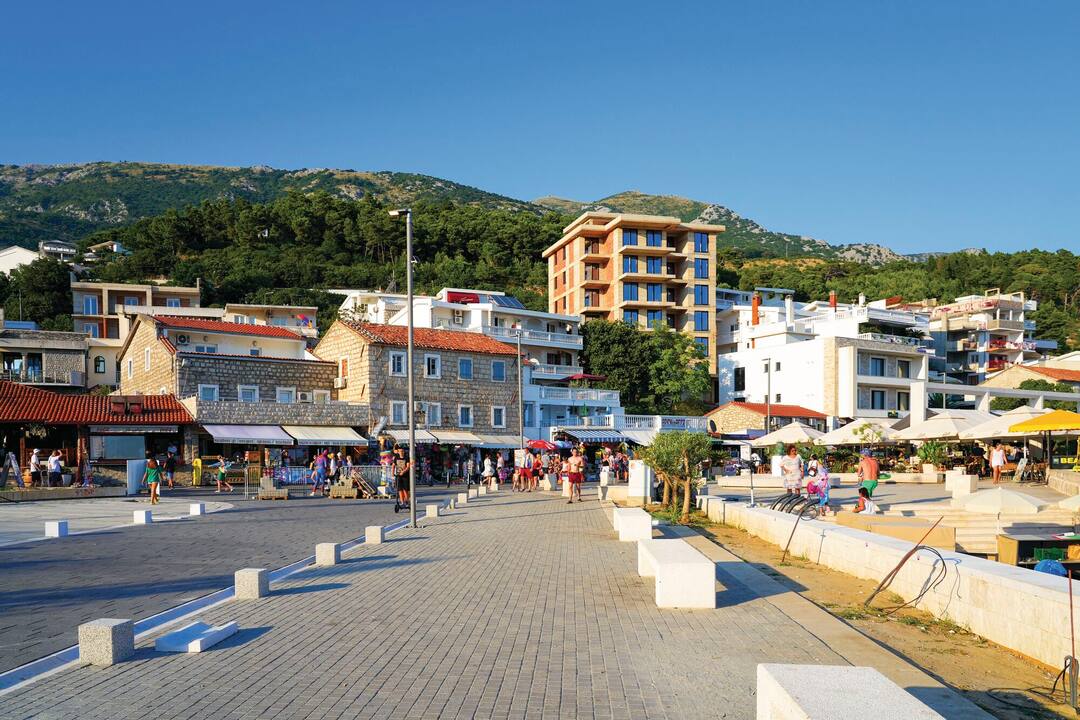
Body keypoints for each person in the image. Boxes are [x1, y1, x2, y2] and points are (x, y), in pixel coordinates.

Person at [392, 445, 411, 512]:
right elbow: (393, 465)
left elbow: (408, 466)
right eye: (400, 451)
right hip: (398, 475)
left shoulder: (407, 458)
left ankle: (407, 501)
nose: (401, 452)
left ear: (404, 451)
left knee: (405, 489)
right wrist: (392, 474)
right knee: (399, 489)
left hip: (405, 475)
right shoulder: (396, 457)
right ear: (398, 452)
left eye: (402, 451)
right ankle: (402, 502)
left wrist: (403, 471)